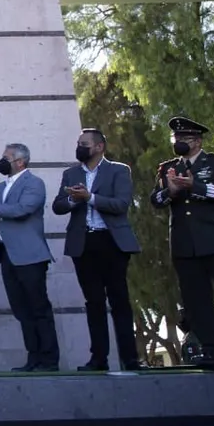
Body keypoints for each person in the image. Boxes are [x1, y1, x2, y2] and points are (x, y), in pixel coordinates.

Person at [52, 128, 143, 372]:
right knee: (93, 302)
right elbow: (58, 206)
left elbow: (121, 204)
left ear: (100, 147)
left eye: (85, 143)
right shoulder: (71, 173)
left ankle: (130, 358)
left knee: (119, 300)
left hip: (111, 242)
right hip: (84, 243)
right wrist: (73, 199)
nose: (80, 147)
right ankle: (98, 358)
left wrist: (90, 197)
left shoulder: (119, 170)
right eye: (78, 143)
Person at [0, 143, 60, 372]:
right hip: (7, 256)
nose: (2, 160)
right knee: (21, 310)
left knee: (38, 308)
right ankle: (33, 358)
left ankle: (49, 360)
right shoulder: (0, 187)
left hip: (30, 256)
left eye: (6, 157)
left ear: (20, 161)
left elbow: (22, 210)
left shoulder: (34, 183)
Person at [150, 116, 214, 365]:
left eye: (184, 138)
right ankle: (211, 351)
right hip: (185, 244)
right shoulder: (167, 168)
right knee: (197, 300)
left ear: (197, 141)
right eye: (176, 138)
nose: (179, 142)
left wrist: (194, 186)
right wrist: (171, 191)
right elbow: (155, 201)